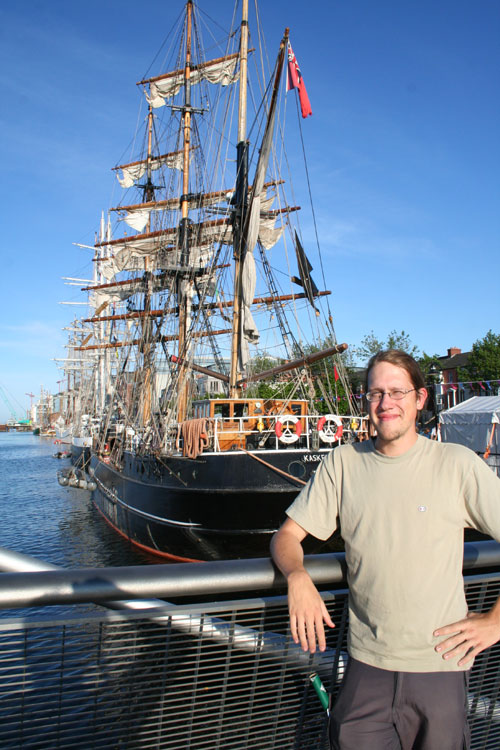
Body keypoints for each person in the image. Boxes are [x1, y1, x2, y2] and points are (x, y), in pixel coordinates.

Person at [270, 349, 500, 750]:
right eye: (375, 393)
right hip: (366, 665)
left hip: (439, 663)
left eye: (397, 391)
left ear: (420, 399)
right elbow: (286, 536)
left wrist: (496, 621)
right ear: (366, 402)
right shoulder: (343, 463)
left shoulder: (456, 465)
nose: (386, 403)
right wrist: (297, 576)